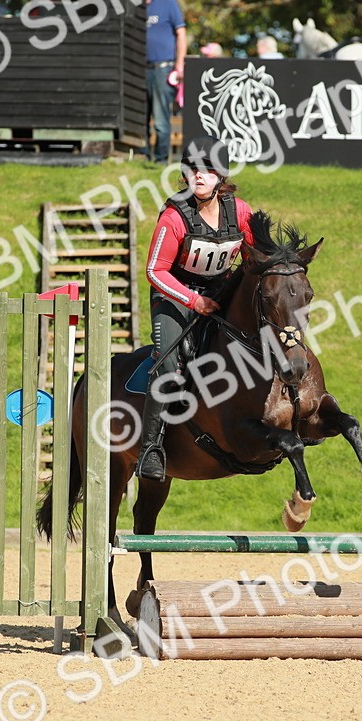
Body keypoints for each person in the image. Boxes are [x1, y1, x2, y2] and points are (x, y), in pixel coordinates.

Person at [136, 136, 255, 481]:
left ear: (220, 176)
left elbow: (253, 258)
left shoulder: (240, 211)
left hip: (219, 294)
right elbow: (153, 271)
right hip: (175, 297)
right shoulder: (175, 216)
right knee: (168, 365)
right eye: (192, 170)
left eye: (206, 170)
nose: (198, 176)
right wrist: (194, 300)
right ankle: (151, 450)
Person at [146, 0, 186, 163]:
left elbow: (181, 32)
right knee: (139, 115)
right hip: (137, 69)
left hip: (163, 68)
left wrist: (179, 64)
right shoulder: (135, 6)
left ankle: (161, 159)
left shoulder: (168, 3)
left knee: (160, 118)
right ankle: (143, 155)